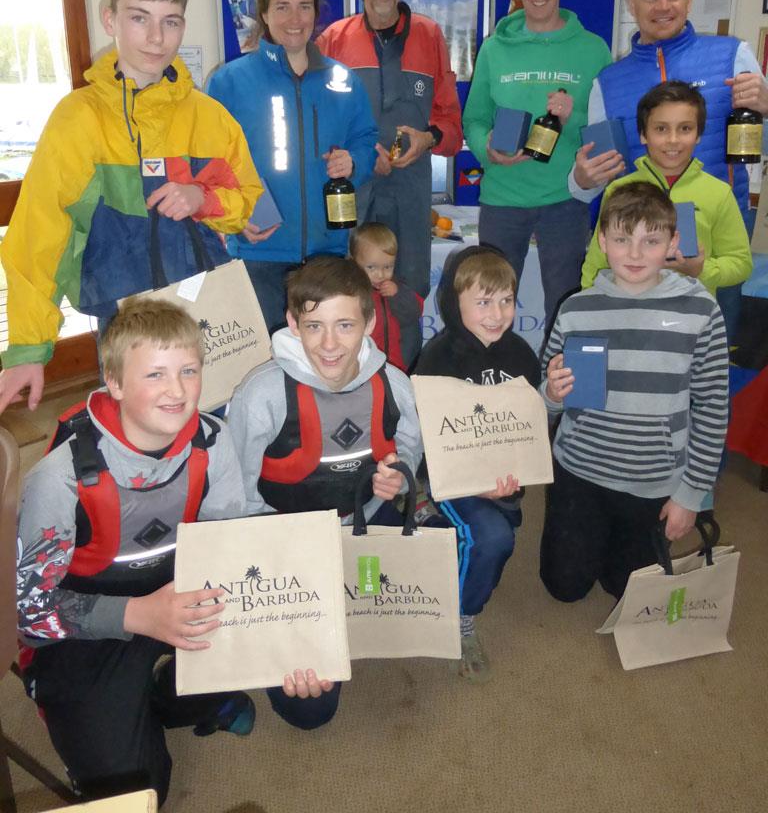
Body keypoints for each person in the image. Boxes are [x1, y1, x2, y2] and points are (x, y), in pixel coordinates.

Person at [0, 0, 261, 417]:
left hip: (206, 315)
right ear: (110, 18)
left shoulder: (211, 118)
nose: (157, 38)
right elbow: (39, 236)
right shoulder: (78, 119)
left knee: (215, 428)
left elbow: (247, 202)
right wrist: (28, 347)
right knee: (140, 439)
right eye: (139, 18)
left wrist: (201, 197)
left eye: (171, 21)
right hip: (125, 321)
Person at [15, 298, 253, 805]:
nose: (177, 391)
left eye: (189, 370)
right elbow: (30, 613)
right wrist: (138, 615)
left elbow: (231, 550)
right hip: (90, 623)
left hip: (180, 593)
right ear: (115, 382)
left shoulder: (215, 442)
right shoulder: (57, 481)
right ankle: (85, 706)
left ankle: (165, 699)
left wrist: (297, 638)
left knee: (269, 648)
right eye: (155, 375)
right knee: (137, 791)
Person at [227, 255, 422, 726]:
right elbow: (229, 494)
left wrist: (399, 478)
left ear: (370, 322)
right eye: (314, 326)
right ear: (293, 322)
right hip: (286, 547)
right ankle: (290, 633)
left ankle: (349, 613)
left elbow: (411, 448)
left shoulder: (394, 383)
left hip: (364, 527)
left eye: (345, 325)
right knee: (310, 709)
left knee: (384, 610)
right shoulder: (263, 394)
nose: (330, 344)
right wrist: (274, 563)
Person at [539, 182, 729, 603]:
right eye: (622, 239)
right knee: (564, 587)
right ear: (602, 240)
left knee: (624, 588)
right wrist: (551, 393)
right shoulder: (576, 309)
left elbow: (713, 407)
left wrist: (690, 495)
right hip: (580, 472)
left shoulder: (700, 311)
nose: (636, 254)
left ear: (673, 242)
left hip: (654, 481)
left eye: (651, 240)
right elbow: (543, 397)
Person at [207, 0, 378, 333]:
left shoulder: (343, 81)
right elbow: (210, 164)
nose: (294, 18)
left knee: (319, 364)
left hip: (327, 254)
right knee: (263, 369)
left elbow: (366, 140)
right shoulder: (229, 83)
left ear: (316, 13)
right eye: (282, 6)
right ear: (264, 14)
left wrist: (354, 161)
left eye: (304, 6)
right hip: (258, 252)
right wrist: (234, 221)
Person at [462, 0, 612, 333]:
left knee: (565, 308)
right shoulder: (495, 49)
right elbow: (474, 119)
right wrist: (487, 149)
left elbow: (602, 127)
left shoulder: (593, 49)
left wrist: (573, 114)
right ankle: (491, 385)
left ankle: (557, 390)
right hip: (502, 200)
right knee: (488, 306)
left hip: (564, 200)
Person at [414, 247, 540, 681]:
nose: (497, 313)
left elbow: (529, 424)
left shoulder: (522, 354)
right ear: (455, 303)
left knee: (499, 538)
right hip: (450, 477)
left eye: (506, 300)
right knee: (491, 539)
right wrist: (471, 482)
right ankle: (462, 620)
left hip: (504, 479)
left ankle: (434, 532)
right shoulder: (438, 358)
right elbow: (430, 438)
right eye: (483, 302)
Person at [317, 0, 462, 299]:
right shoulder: (333, 40)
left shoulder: (430, 36)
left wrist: (428, 138)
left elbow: (452, 126)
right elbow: (318, 123)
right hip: (352, 191)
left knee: (407, 293)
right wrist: (364, 158)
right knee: (344, 291)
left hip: (409, 193)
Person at [571, 0, 768, 216]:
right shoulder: (607, 84)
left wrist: (767, 108)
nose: (663, 6)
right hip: (642, 233)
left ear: (690, 0)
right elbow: (596, 177)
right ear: (632, 4)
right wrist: (581, 180)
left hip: (721, 226)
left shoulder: (733, 56)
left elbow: (761, 146)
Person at [581, 81, 752, 295]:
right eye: (661, 129)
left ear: (698, 135)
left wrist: (701, 270)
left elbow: (741, 263)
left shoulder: (718, 192)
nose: (673, 140)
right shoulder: (619, 189)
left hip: (689, 314)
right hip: (627, 311)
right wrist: (590, 304)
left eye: (685, 129)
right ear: (644, 134)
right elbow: (597, 260)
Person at [349, 221, 423, 372]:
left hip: (395, 364)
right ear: (354, 262)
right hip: (362, 366)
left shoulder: (396, 287)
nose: (381, 274)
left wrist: (398, 294)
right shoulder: (350, 292)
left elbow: (414, 312)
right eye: (371, 267)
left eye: (388, 267)